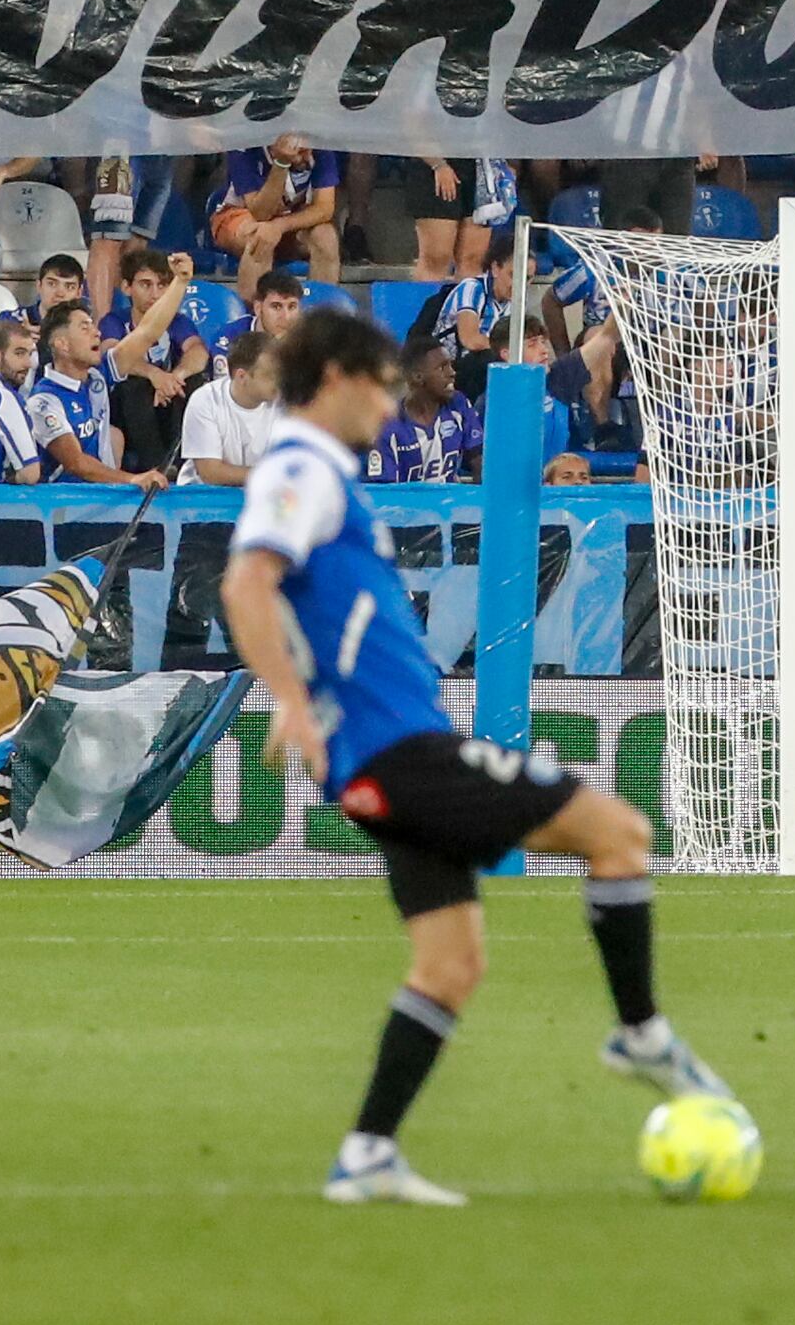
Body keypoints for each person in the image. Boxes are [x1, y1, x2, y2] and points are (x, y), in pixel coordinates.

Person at [228, 304, 734, 1207]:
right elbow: (246, 578)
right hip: (399, 752)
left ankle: (368, 1155)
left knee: (449, 965)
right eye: (383, 390)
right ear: (340, 378)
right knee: (618, 834)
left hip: (377, 759)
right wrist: (293, 699)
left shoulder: (320, 470)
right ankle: (641, 1031)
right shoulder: (302, 465)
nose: (390, 411)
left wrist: (303, 694)